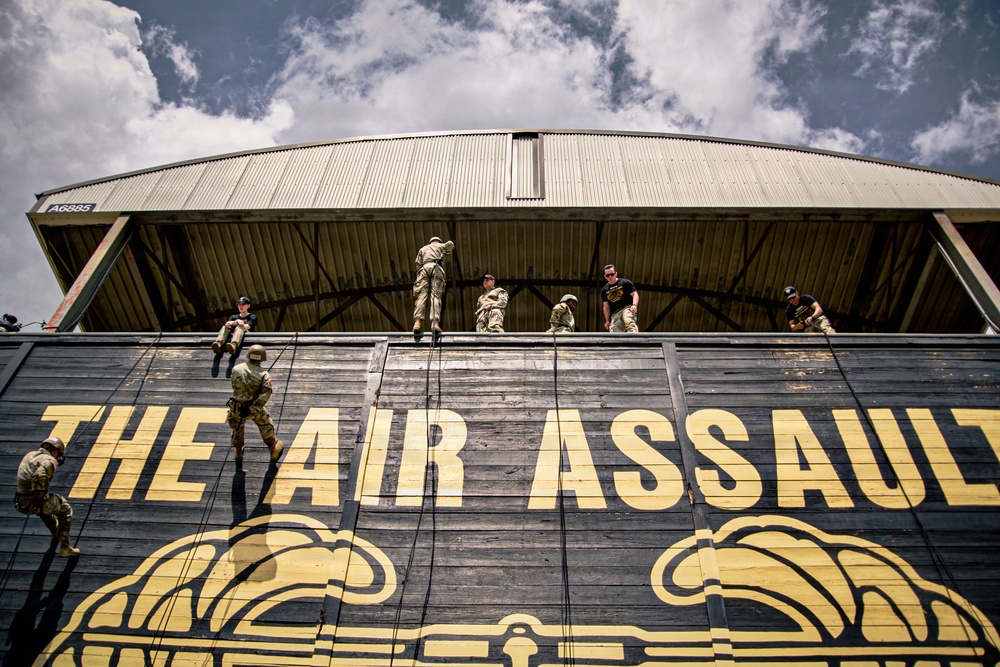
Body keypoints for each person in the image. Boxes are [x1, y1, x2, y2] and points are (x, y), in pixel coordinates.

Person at [15, 437, 80, 556]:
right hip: (34, 501)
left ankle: (55, 532)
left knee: (46, 506)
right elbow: (40, 475)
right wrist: (39, 495)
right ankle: (65, 547)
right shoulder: (50, 460)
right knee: (64, 508)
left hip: (20, 502)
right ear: (55, 451)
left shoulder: (30, 455)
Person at [228, 344, 284, 465]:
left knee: (236, 430)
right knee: (266, 425)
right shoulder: (264, 375)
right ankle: (273, 449)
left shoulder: (236, 369)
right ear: (262, 358)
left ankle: (238, 452)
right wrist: (253, 409)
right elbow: (266, 394)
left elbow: (235, 386)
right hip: (253, 409)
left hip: (237, 407)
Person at [412, 236, 455, 334]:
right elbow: (450, 244)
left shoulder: (422, 249)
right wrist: (442, 256)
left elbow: (418, 263)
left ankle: (417, 323)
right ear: (438, 241)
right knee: (435, 296)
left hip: (423, 270)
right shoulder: (440, 245)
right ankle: (434, 324)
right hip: (436, 268)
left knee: (421, 296)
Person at [601, 264, 639, 332]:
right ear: (605, 276)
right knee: (613, 329)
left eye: (612, 274)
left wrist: (634, 305)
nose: (610, 277)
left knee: (629, 321)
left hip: (627, 308)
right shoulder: (604, 290)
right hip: (615, 313)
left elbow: (635, 294)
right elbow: (606, 306)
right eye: (607, 275)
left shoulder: (625, 283)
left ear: (616, 273)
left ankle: (634, 340)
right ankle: (616, 342)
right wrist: (607, 320)